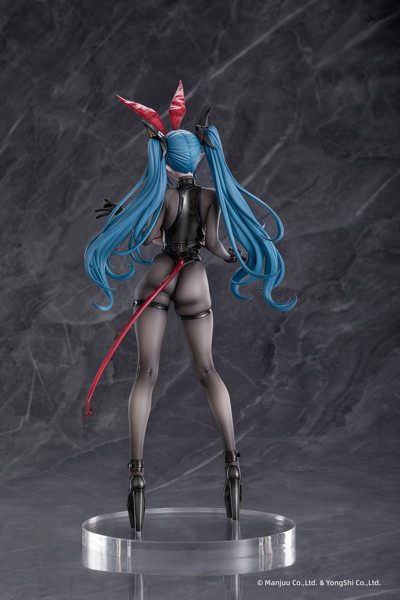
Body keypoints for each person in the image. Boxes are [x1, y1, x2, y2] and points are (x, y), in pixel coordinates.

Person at [84, 81, 296, 532]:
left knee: (146, 372)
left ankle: (137, 475)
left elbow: (151, 239)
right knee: (208, 370)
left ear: (165, 160)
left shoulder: (160, 197)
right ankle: (233, 464)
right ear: (200, 158)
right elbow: (216, 246)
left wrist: (125, 215)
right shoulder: (211, 198)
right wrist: (243, 255)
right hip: (194, 275)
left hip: (161, 273)